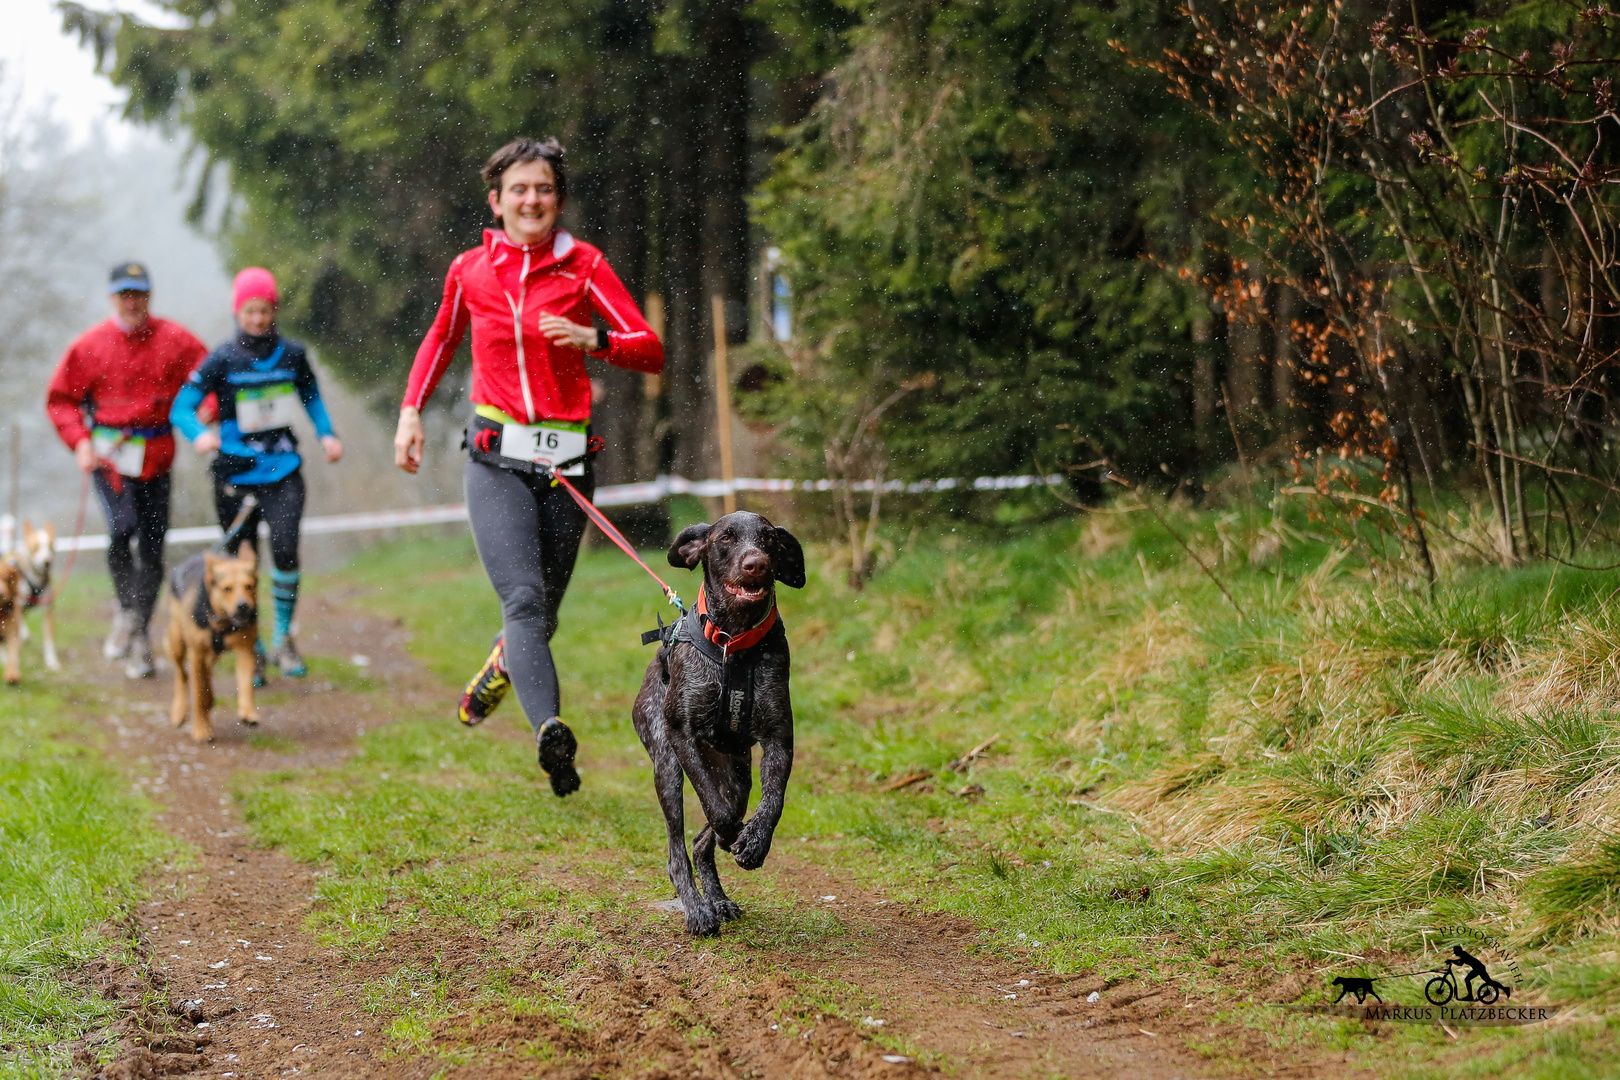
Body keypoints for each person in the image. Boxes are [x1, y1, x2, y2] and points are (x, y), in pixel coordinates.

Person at [394, 136, 663, 797]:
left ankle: (500, 665)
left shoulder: (586, 266)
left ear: (558, 199)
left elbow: (650, 349)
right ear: (497, 201)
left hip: (571, 460)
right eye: (519, 188)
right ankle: (551, 732)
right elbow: (439, 340)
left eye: (543, 188)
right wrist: (410, 412)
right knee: (523, 599)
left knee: (540, 619)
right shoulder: (470, 271)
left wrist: (595, 340)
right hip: (496, 456)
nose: (532, 199)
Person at [171, 267, 343, 679]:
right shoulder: (222, 359)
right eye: (249, 311)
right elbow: (181, 407)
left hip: (283, 470)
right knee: (240, 566)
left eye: (264, 310)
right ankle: (255, 646)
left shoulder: (293, 355)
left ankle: (283, 638)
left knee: (285, 550)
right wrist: (198, 435)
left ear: (274, 310)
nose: (257, 319)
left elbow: (311, 395)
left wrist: (327, 434)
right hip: (235, 474)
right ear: (237, 312)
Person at [47, 262, 209, 678]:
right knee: (123, 529)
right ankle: (128, 616)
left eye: (139, 294)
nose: (132, 302)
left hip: (157, 455)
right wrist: (79, 441)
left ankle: (137, 632)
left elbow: (208, 379)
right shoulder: (89, 346)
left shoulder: (175, 339)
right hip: (111, 456)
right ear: (112, 298)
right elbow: (61, 400)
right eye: (124, 295)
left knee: (153, 545)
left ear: (150, 295)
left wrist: (205, 413)